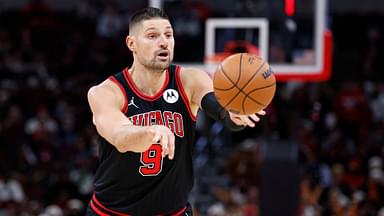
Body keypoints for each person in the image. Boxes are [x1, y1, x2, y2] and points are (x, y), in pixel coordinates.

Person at [86, 7, 266, 216]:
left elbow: (217, 107)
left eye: (168, 35)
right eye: (152, 36)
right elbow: (120, 136)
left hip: (173, 212)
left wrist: (232, 112)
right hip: (113, 213)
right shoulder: (106, 92)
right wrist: (150, 133)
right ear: (131, 44)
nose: (163, 42)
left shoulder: (189, 80)